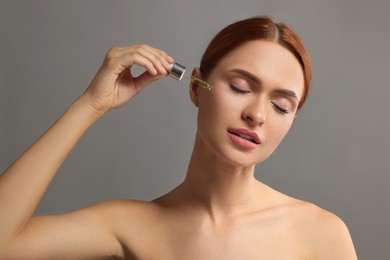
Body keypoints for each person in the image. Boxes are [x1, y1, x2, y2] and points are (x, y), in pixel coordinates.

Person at [0, 16, 357, 259]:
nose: (257, 115)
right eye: (240, 87)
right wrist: (91, 105)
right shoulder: (128, 225)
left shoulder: (321, 233)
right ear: (197, 87)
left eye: (281, 107)